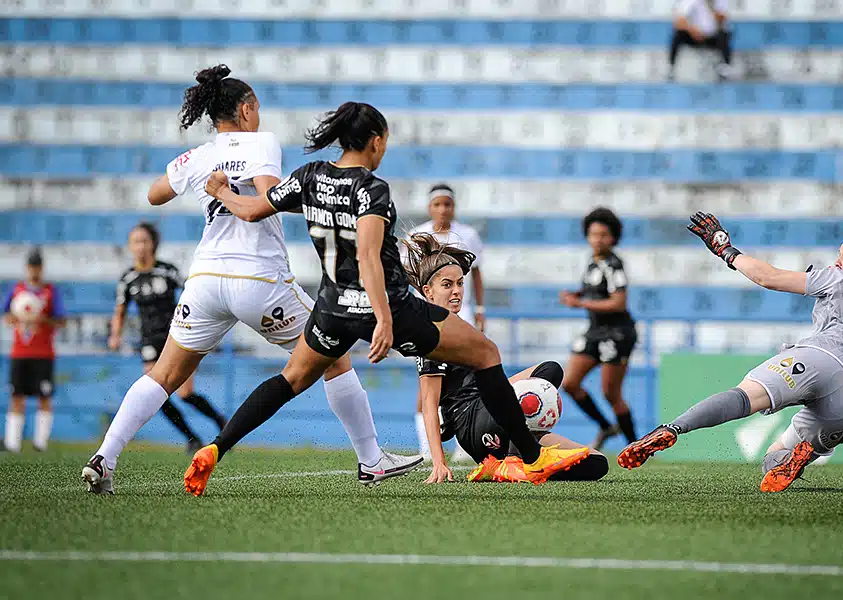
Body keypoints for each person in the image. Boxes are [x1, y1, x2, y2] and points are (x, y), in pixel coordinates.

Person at [183, 101, 590, 496]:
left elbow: (253, 210)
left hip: (331, 308)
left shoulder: (308, 176)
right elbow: (367, 255)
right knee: (485, 352)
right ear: (375, 141)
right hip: (388, 305)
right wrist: (383, 318)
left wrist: (221, 191)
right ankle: (534, 456)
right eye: (386, 141)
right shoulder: (371, 189)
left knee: (291, 379)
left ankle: (216, 447)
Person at [82, 65, 421, 495]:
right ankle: (371, 460)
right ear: (246, 109)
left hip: (205, 278)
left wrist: (204, 177)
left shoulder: (202, 155)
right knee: (333, 355)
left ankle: (105, 457)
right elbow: (269, 196)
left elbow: (155, 194)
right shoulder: (261, 142)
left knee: (164, 374)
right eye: (256, 107)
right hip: (257, 278)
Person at [618, 213, 843, 492]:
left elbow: (769, 278)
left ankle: (672, 428)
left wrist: (726, 250)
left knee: (745, 396)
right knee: (775, 455)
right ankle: (794, 459)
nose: (838, 260)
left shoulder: (842, 278)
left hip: (822, 359)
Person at [406, 233, 608, 484]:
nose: (457, 291)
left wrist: (509, 391)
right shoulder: (431, 334)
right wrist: (438, 462)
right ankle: (506, 461)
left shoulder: (460, 325)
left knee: (596, 462)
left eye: (460, 283)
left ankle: (512, 462)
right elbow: (428, 401)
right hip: (474, 425)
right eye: (447, 285)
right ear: (428, 292)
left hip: (492, 413)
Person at [110, 222, 226, 452]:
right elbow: (120, 311)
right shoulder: (128, 278)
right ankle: (192, 438)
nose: (140, 246)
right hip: (150, 342)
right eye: (135, 242)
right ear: (130, 246)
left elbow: (192, 294)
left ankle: (221, 422)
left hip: (178, 336)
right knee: (156, 393)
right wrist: (115, 335)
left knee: (185, 393)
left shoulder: (168, 271)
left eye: (144, 241)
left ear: (153, 243)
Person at [405, 183, 486, 462]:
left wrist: (480, 310)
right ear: (430, 207)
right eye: (437, 204)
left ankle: (465, 441)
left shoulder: (468, 235)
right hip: (427, 318)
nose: (442, 209)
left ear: (454, 207)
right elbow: (408, 276)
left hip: (460, 317)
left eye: (447, 204)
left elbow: (476, 274)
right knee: (429, 380)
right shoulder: (417, 235)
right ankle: (427, 448)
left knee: (468, 378)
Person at [559, 208, 638, 450]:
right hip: (594, 331)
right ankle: (606, 427)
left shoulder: (614, 264)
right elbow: (595, 290)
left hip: (617, 333)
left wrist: (580, 302)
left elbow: (618, 301)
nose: (598, 239)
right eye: (594, 234)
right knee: (570, 383)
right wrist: (578, 294)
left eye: (604, 235)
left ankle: (636, 446)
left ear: (613, 237)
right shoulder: (592, 263)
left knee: (611, 393)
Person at [2, 248, 65, 452]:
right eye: (31, 266)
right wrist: (16, 319)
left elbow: (61, 320)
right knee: (16, 396)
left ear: (41, 268)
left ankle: (40, 443)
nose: (34, 270)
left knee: (44, 396)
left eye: (37, 266)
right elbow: (6, 315)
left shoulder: (50, 291)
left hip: (43, 353)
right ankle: (12, 443)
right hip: (20, 352)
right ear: (27, 268)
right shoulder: (17, 289)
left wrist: (42, 319)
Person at [669, 0, 732, 81]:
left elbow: (722, 20)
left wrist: (711, 6)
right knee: (678, 34)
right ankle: (671, 66)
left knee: (723, 34)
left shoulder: (720, 1)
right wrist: (692, 31)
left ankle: (724, 67)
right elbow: (679, 21)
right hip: (695, 35)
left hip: (713, 37)